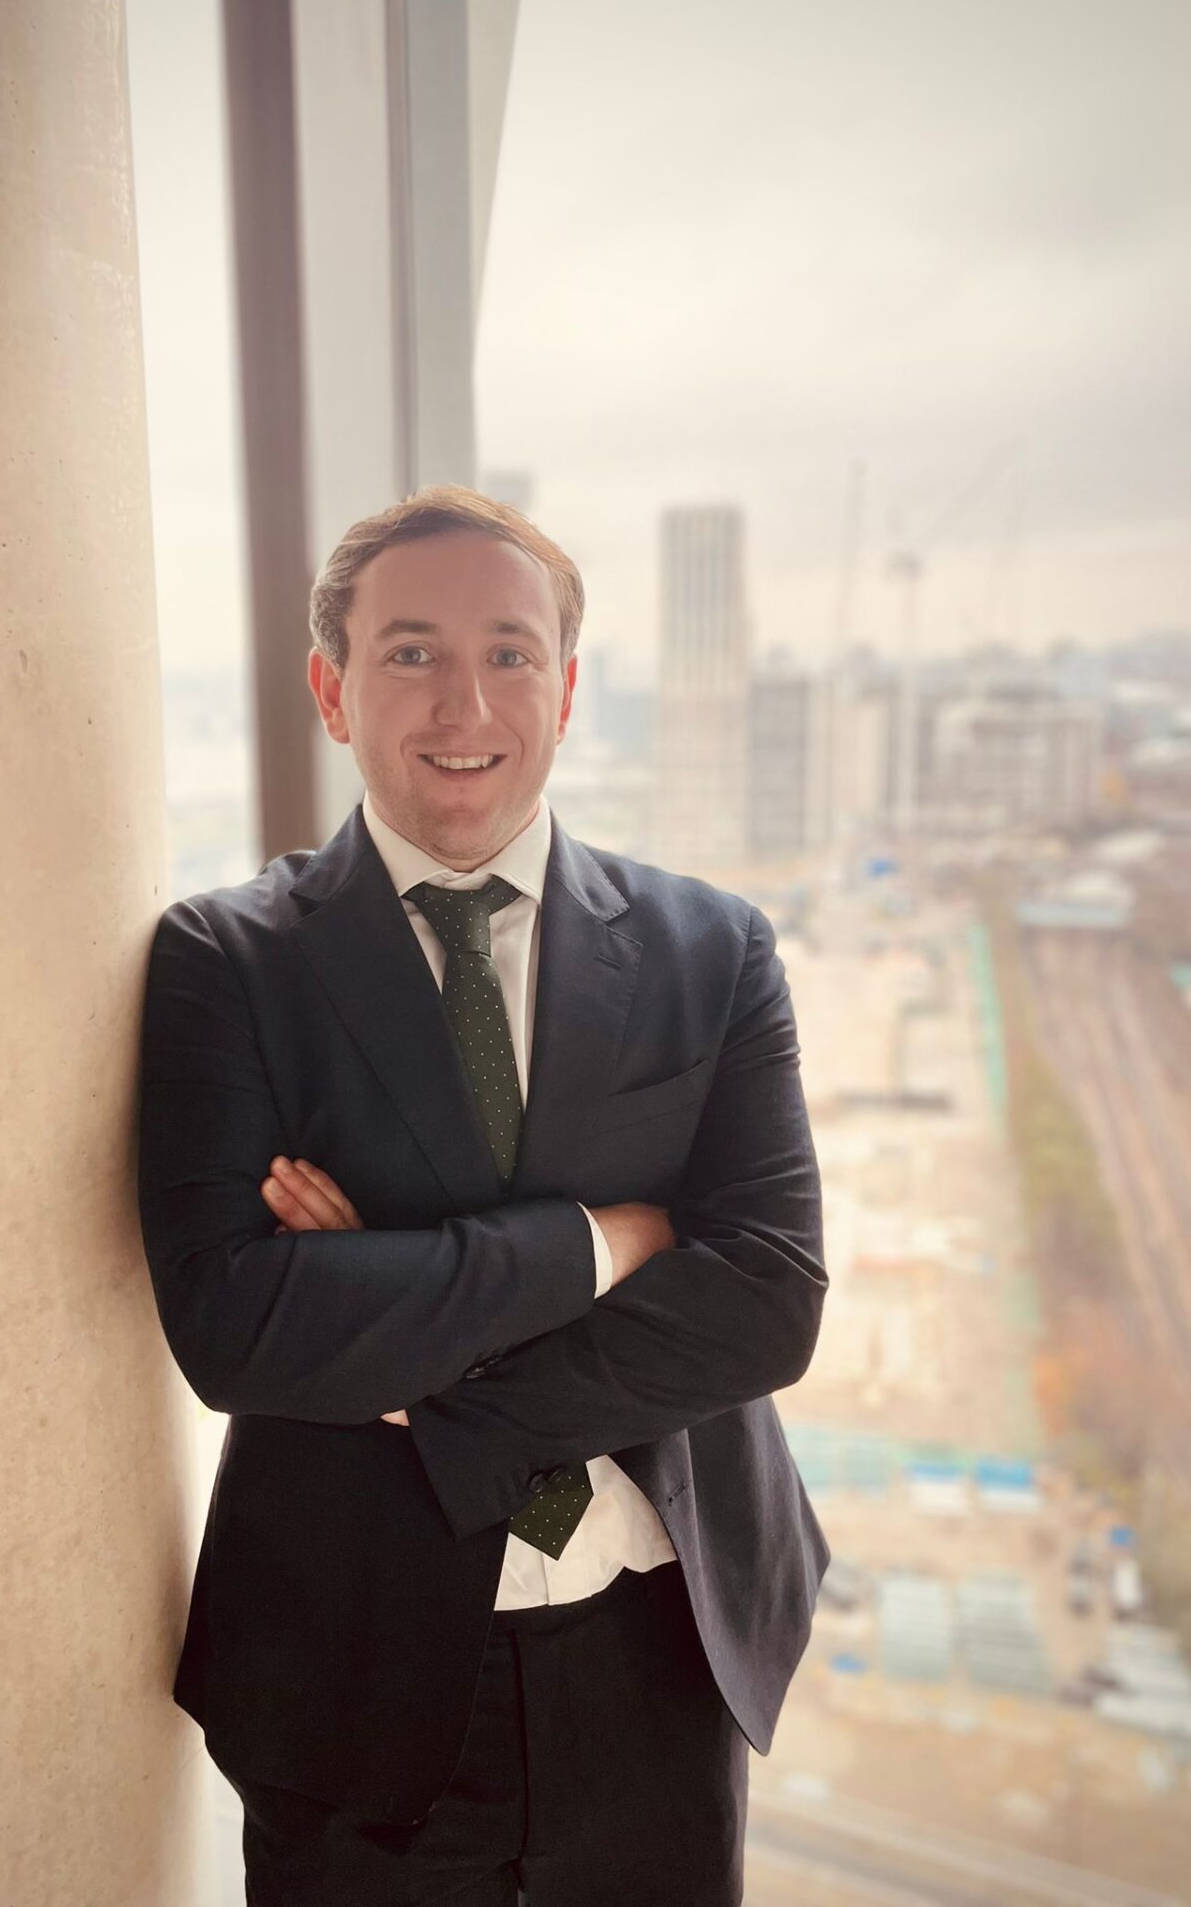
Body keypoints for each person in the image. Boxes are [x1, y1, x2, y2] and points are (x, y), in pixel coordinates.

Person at [135, 485, 830, 1905]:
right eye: (411, 652)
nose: (466, 702)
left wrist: (412, 1351)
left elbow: (768, 1305)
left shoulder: (714, 950)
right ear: (332, 691)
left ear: (565, 690)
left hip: (663, 1651)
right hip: (349, 1670)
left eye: (510, 652)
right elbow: (235, 1331)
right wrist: (600, 1244)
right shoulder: (225, 963)